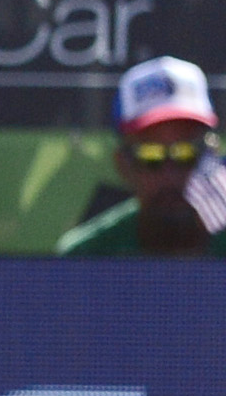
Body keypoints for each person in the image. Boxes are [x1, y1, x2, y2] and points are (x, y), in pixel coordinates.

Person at [55, 55, 224, 255]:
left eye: (185, 153)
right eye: (150, 155)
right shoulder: (85, 257)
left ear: (212, 155)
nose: (169, 173)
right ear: (122, 164)